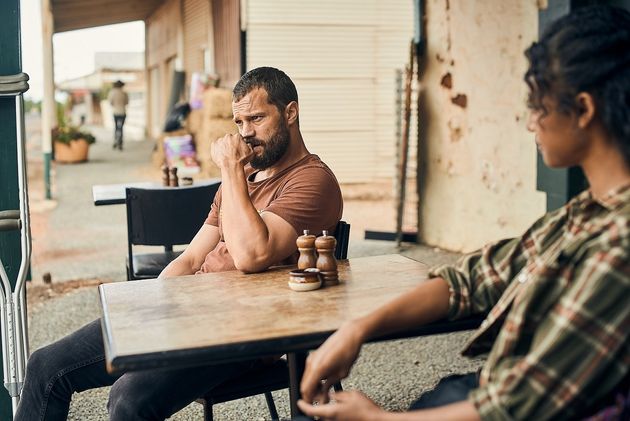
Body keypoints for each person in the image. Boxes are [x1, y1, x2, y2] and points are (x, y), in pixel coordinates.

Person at [297, 6, 630, 421]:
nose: (530, 124)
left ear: (583, 110)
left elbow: (517, 406)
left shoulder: (619, 246)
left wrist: (379, 420)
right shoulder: (585, 210)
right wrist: (356, 328)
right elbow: (474, 277)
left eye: (537, 106)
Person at [15, 67, 343, 420]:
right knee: (45, 366)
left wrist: (230, 170)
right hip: (193, 310)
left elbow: (252, 255)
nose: (246, 134)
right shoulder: (243, 178)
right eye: (239, 122)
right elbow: (191, 259)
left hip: (244, 330)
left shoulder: (312, 181)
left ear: (290, 113)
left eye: (257, 118)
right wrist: (152, 308)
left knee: (129, 397)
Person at [107, 80, 129, 150]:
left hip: (116, 112)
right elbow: (127, 102)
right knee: (121, 128)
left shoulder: (112, 92)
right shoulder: (124, 93)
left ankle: (115, 141)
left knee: (116, 127)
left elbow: (110, 102)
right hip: (122, 112)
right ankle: (120, 142)